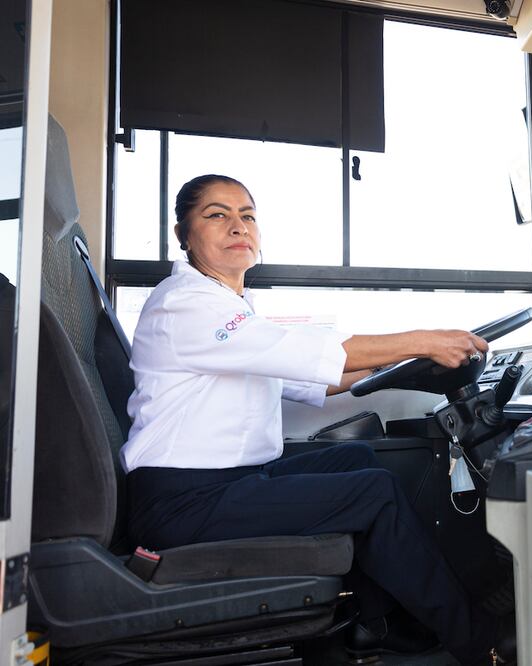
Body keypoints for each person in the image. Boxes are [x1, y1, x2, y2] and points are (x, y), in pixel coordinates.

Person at [121, 174, 512, 664]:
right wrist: (424, 340)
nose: (238, 226)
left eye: (247, 215)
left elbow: (307, 379)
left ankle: (378, 624)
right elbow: (307, 351)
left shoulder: (229, 306)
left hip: (226, 482)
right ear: (183, 234)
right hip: (183, 501)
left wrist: (393, 367)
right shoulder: (185, 304)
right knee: (373, 492)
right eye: (217, 214)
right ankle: (481, 643)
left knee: (355, 458)